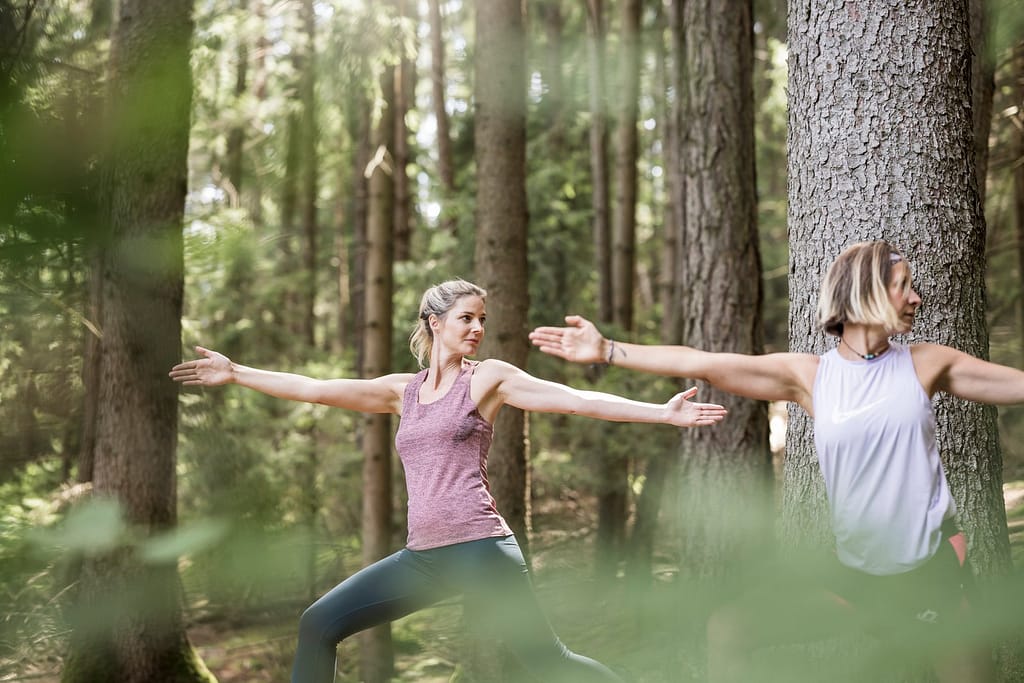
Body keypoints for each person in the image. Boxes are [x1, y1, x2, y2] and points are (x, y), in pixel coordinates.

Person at [170, 279, 727, 683]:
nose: (478, 328)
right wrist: (237, 373)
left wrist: (661, 413)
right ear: (435, 323)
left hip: (483, 550)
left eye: (482, 318)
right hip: (425, 558)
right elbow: (316, 387)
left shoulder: (488, 379)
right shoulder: (402, 391)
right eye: (467, 318)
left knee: (547, 662)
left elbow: (577, 401)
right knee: (318, 624)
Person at [529, 241, 1007, 682]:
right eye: (905, 286)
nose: (916, 298)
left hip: (928, 571)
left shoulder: (926, 363)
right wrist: (609, 351)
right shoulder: (810, 376)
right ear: (868, 292)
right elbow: (702, 362)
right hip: (856, 573)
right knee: (730, 630)